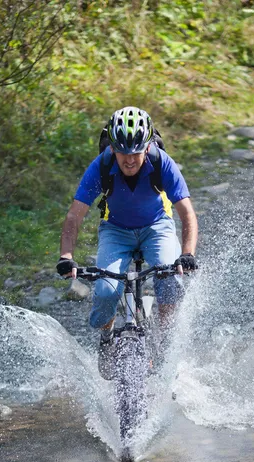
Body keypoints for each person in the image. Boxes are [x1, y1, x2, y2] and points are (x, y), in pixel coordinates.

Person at [57, 106, 198, 377]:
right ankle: (107, 337)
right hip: (116, 230)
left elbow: (187, 213)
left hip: (157, 226)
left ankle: (165, 339)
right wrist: (66, 256)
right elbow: (75, 215)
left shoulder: (162, 163)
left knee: (170, 280)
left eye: (135, 152)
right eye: (123, 152)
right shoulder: (102, 166)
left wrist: (187, 253)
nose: (129, 160)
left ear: (147, 147)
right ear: (113, 148)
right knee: (107, 292)